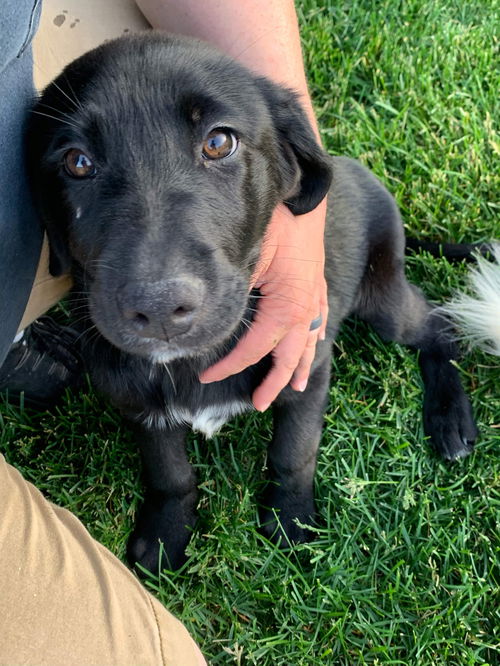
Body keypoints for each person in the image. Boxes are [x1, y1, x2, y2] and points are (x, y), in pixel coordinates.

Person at [0, 0, 328, 663]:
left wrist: (307, 226)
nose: (157, 292)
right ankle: (174, 491)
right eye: (81, 164)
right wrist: (167, 492)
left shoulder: (303, 189)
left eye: (218, 144)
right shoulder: (113, 352)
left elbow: (308, 374)